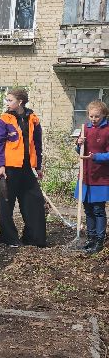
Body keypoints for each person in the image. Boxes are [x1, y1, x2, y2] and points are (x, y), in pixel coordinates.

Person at [0, 87, 46, 248]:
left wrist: (38, 166)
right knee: (7, 204)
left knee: (34, 202)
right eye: (7, 100)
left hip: (27, 169)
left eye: (10, 100)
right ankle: (8, 238)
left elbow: (37, 144)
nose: (7, 103)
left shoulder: (33, 119)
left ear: (20, 102)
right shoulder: (3, 119)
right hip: (9, 169)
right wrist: (0, 166)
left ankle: (34, 238)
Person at [75, 99, 109, 255]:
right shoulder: (85, 129)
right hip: (85, 175)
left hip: (100, 177)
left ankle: (99, 241)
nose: (94, 119)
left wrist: (95, 157)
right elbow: (80, 152)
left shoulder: (107, 130)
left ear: (103, 115)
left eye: (97, 116)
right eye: (91, 116)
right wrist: (79, 144)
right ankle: (90, 239)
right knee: (87, 209)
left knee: (98, 210)